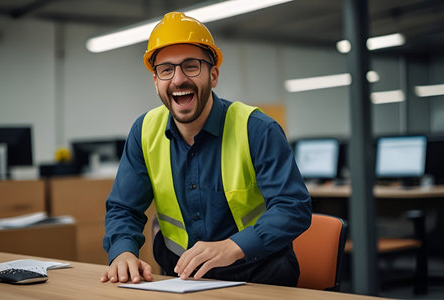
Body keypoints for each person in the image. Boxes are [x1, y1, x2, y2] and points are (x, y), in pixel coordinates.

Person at [101, 11, 311, 287]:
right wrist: (123, 252)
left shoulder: (257, 129)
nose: (177, 79)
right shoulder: (144, 132)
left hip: (260, 277)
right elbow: (123, 208)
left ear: (213, 75)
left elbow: (292, 207)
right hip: (181, 279)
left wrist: (233, 246)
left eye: (191, 66)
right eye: (166, 70)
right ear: (156, 82)